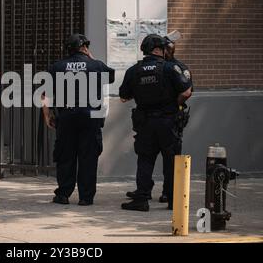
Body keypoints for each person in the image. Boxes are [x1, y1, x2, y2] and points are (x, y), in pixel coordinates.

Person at [119, 34, 192, 211]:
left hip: (145, 122)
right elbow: (187, 91)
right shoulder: (170, 68)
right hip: (168, 121)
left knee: (145, 159)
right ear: (159, 49)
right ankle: (172, 199)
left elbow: (123, 97)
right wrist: (174, 104)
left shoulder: (133, 71)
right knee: (171, 160)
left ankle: (141, 199)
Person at [42, 33, 115, 206]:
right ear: (84, 47)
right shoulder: (95, 65)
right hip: (90, 116)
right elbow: (110, 77)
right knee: (88, 157)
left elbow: (45, 93)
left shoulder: (57, 66)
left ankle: (63, 194)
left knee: (65, 155)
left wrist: (47, 115)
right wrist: (91, 58)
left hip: (67, 116)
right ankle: (86, 197)